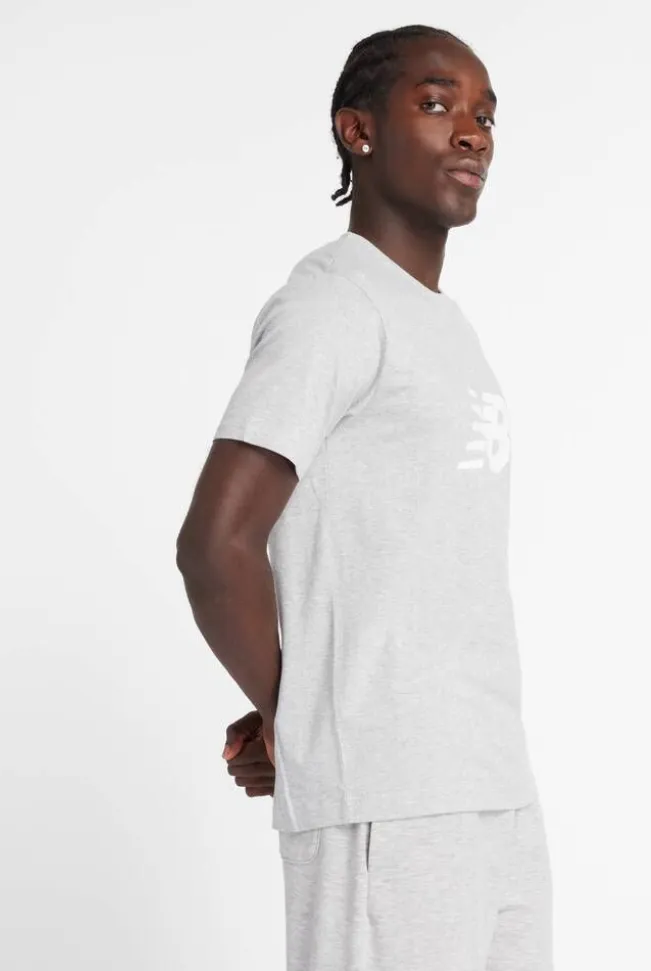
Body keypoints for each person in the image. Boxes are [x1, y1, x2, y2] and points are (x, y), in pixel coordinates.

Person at [176, 24, 554, 971]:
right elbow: (215, 543)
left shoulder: (441, 324)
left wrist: (295, 711)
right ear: (358, 130)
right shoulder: (332, 305)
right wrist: (296, 712)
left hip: (490, 782)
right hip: (388, 795)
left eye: (485, 115)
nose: (470, 131)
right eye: (435, 103)